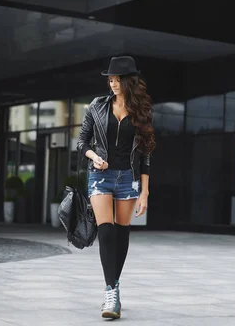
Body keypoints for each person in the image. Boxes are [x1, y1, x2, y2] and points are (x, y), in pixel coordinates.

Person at [77, 55, 155, 319]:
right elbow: (81, 142)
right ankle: (111, 293)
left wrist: (145, 191)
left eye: (116, 79)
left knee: (121, 235)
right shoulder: (97, 106)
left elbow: (145, 153)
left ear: (127, 81)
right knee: (106, 231)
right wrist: (93, 156)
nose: (112, 84)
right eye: (110, 79)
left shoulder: (141, 110)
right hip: (101, 176)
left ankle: (114, 288)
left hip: (129, 178)